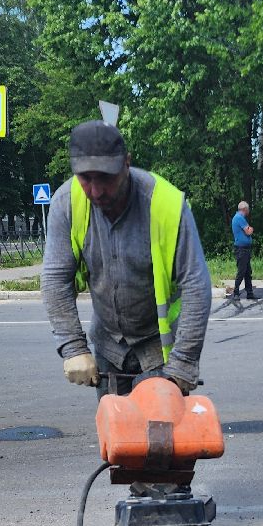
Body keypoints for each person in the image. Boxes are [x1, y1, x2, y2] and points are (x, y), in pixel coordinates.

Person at [41, 120, 211, 398]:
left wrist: (183, 363)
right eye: (85, 178)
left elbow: (195, 283)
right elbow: (55, 278)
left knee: (158, 439)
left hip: (159, 350)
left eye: (105, 177)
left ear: (126, 164)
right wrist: (74, 348)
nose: (95, 191)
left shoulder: (166, 204)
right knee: (116, 436)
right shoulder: (66, 203)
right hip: (108, 345)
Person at [231, 200, 257, 301]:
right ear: (245, 209)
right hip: (241, 250)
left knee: (247, 272)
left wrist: (249, 229)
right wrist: (251, 229)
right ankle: (236, 293)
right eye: (248, 209)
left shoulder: (238, 218)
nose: (249, 211)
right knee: (241, 271)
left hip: (244, 249)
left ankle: (249, 293)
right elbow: (248, 231)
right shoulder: (239, 218)